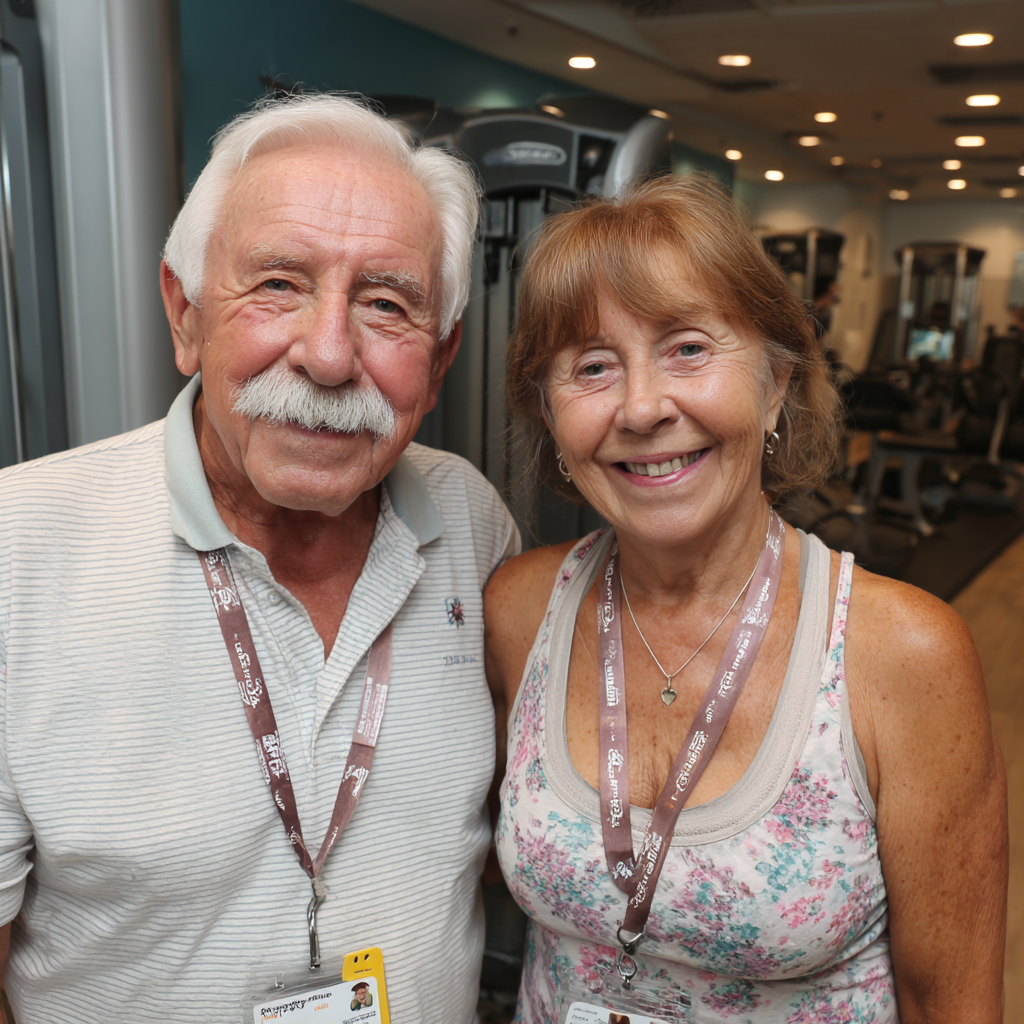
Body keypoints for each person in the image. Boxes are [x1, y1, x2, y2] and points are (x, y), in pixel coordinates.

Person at [0, 93, 518, 1022]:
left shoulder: (473, 525)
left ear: (441, 362)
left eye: (386, 304)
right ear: (185, 315)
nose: (329, 355)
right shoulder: (18, 549)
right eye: (279, 284)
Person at [485, 176, 1006, 1023]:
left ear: (774, 385)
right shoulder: (519, 609)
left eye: (688, 348)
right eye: (593, 367)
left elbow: (949, 1001)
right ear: (550, 417)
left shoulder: (902, 653)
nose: (642, 407)